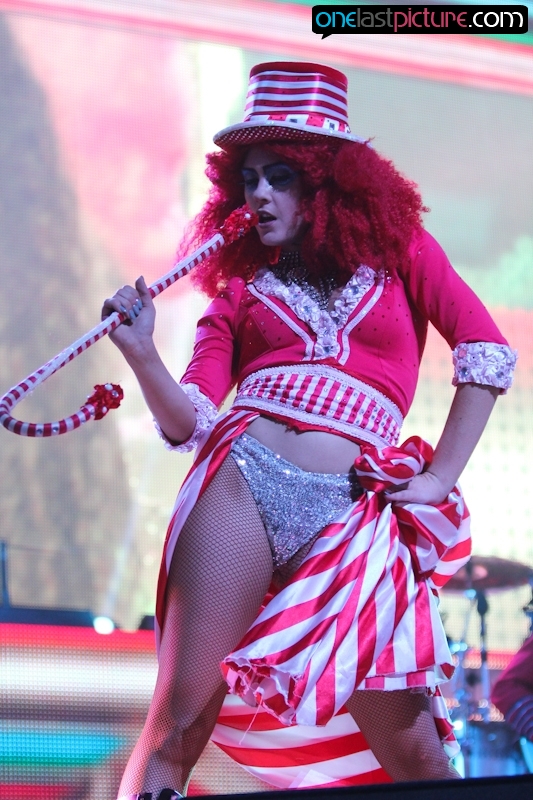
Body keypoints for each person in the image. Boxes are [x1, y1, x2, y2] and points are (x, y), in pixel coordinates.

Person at [102, 63, 517, 799]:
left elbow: (484, 351)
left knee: (418, 758)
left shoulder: (403, 253)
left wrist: (438, 478)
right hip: (239, 485)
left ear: (330, 183)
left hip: (353, 514)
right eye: (249, 179)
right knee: (176, 726)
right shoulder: (238, 287)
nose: (258, 195)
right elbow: (190, 419)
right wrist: (140, 353)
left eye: (281, 176)